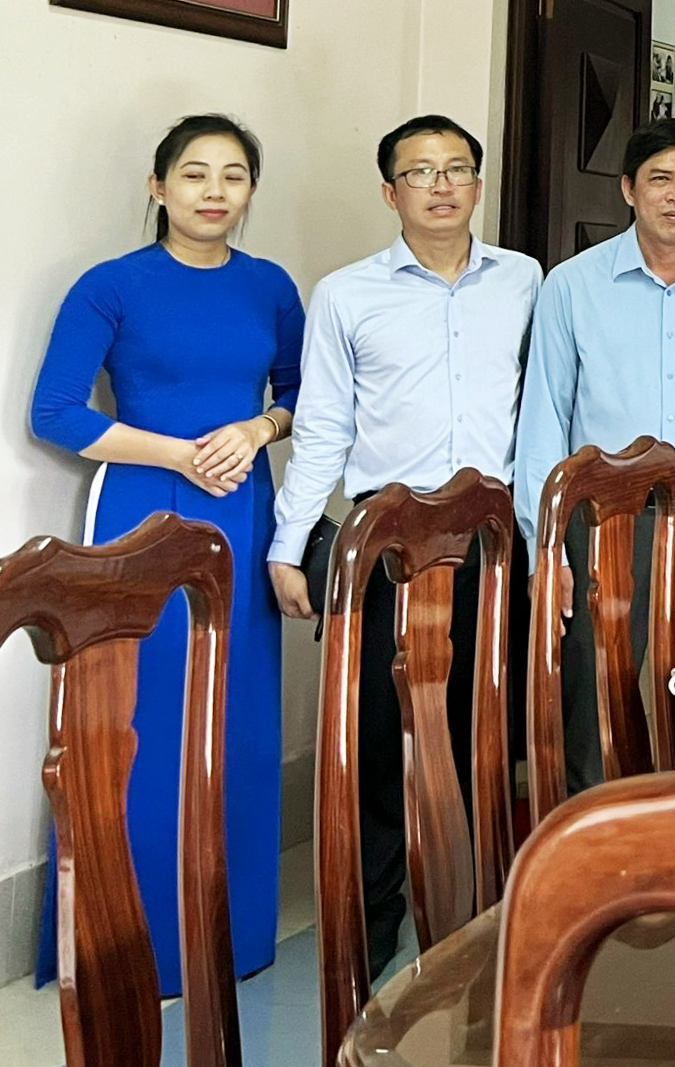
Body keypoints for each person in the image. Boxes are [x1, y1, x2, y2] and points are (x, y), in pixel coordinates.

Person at [29, 116, 303, 994]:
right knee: (138, 717)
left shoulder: (271, 286)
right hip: (139, 508)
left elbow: (302, 393)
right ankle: (124, 940)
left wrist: (258, 428)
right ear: (158, 187)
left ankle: (232, 933)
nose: (214, 190)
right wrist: (180, 453)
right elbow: (56, 412)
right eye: (194, 173)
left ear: (251, 190)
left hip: (243, 507)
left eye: (234, 174)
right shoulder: (111, 285)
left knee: (237, 709)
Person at [268, 115, 541, 977]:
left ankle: (480, 902)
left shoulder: (525, 279)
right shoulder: (346, 293)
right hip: (388, 542)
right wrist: (288, 542)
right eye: (420, 171)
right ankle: (378, 913)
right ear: (390, 192)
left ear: (479, 185)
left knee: (485, 725)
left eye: (457, 168)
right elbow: (322, 425)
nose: (441, 184)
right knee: (382, 735)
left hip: (494, 537)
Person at [516, 119, 675, 792]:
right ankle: (599, 838)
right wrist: (546, 547)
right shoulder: (572, 285)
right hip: (604, 523)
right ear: (628, 189)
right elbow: (543, 420)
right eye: (660, 179)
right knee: (597, 697)